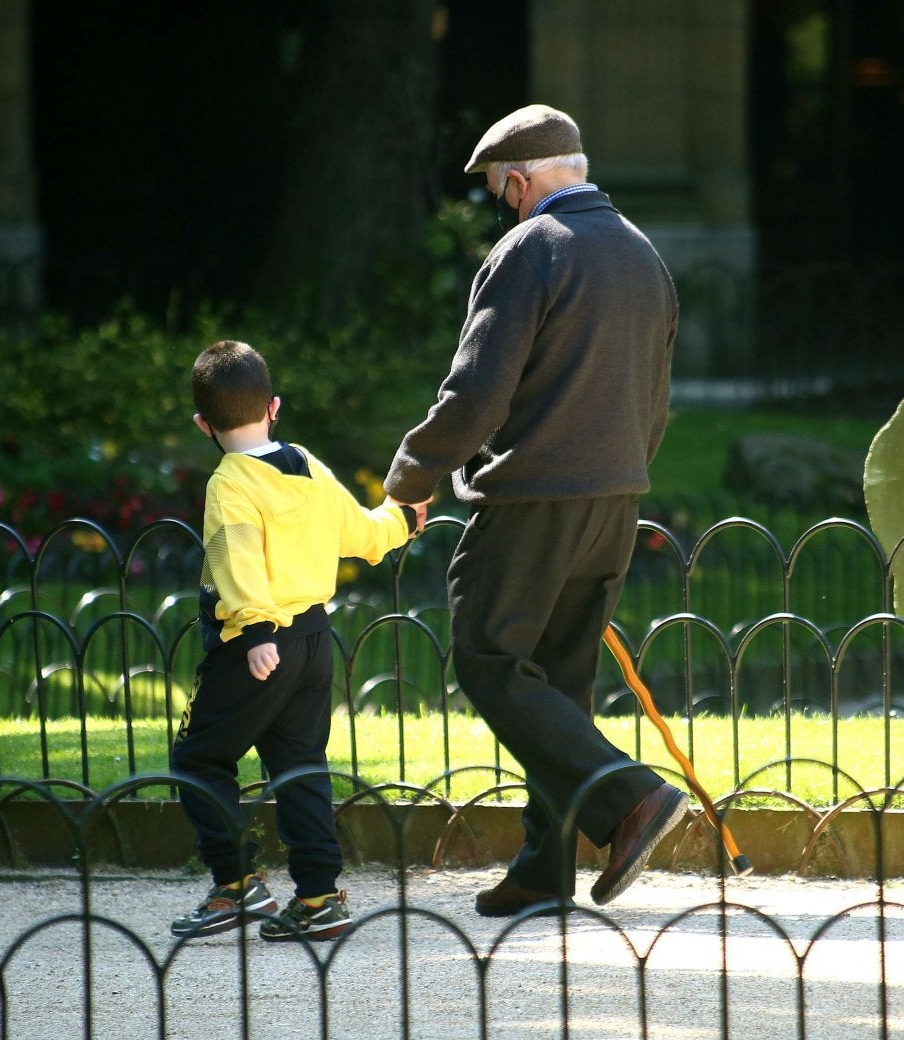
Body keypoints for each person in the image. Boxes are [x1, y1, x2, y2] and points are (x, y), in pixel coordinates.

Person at [384, 104, 687, 916]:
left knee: (488, 657)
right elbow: (656, 400)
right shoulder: (643, 253)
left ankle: (628, 797)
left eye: (498, 192)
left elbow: (477, 393)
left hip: (532, 497)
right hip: (616, 497)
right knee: (558, 679)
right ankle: (544, 866)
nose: (501, 205)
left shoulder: (529, 249)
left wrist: (409, 478)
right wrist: (620, 472)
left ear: (521, 180)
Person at [170, 340, 418, 941]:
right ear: (274, 407)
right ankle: (317, 897)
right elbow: (361, 531)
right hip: (312, 636)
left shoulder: (230, 481)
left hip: (258, 643)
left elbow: (237, 558)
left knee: (198, 758)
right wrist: (404, 519)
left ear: (203, 424)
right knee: (299, 764)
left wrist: (254, 630)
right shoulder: (306, 465)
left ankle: (236, 884)